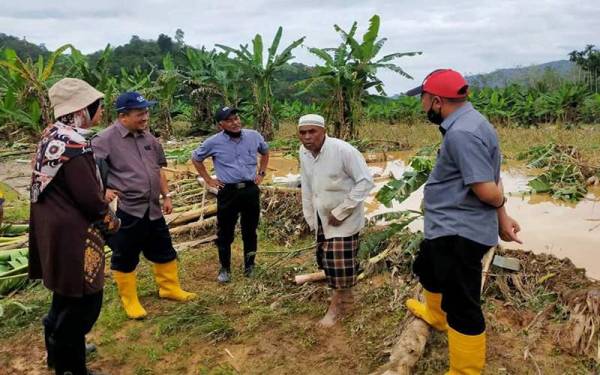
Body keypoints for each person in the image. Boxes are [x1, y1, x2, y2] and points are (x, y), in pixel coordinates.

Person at [404, 69, 522, 374]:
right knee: (427, 268)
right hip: (446, 226)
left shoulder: (462, 134)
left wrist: (500, 206)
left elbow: (487, 189)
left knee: (463, 305)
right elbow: (491, 174)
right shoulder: (473, 122)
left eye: (424, 99)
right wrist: (503, 218)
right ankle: (436, 317)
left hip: (459, 233)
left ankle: (465, 370)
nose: (422, 105)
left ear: (438, 101)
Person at [29, 78, 120, 375]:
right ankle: (71, 365)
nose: (102, 111)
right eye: (98, 106)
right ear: (83, 109)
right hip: (74, 235)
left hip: (52, 230)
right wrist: (113, 221)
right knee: (85, 302)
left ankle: (59, 350)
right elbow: (90, 200)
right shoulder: (74, 145)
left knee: (64, 294)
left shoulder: (52, 136)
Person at [92, 92, 196, 320]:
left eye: (146, 112)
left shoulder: (149, 138)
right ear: (123, 116)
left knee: (164, 248)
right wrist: (103, 191)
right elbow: (90, 171)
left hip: (153, 208)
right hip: (128, 209)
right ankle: (130, 300)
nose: (145, 117)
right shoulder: (104, 140)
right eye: (140, 113)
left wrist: (166, 195)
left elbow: (158, 169)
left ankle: (169, 288)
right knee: (125, 253)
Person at [298, 114, 374, 327]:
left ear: (324, 131)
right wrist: (310, 216)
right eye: (302, 133)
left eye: (312, 131)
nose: (307, 137)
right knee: (327, 262)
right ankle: (347, 300)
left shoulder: (343, 151)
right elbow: (307, 184)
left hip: (344, 219)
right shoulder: (303, 153)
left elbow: (365, 182)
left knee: (338, 262)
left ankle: (335, 308)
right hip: (322, 217)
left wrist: (342, 210)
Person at [191, 106, 270, 283]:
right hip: (228, 192)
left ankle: (250, 266)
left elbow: (265, 152)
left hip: (250, 189)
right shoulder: (213, 142)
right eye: (229, 120)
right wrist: (208, 180)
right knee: (225, 232)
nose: (235, 122)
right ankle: (225, 268)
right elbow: (196, 158)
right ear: (221, 125)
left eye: (236, 118)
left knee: (250, 230)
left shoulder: (253, 136)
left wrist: (262, 173)